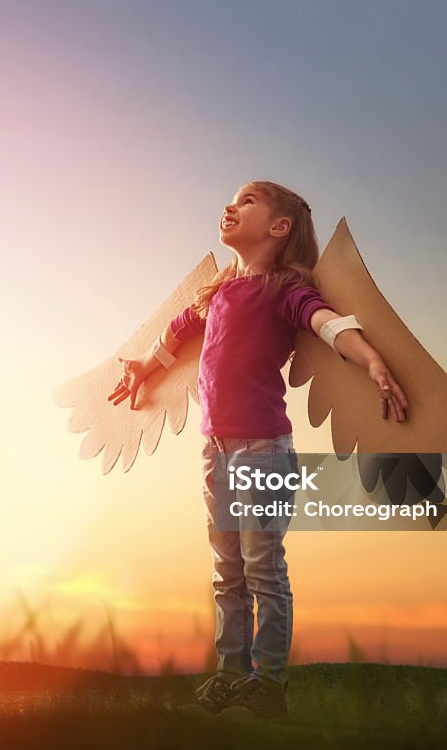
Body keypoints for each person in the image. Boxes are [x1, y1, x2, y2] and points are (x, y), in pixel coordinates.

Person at [107, 181, 409, 721]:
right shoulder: (218, 293)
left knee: (262, 568)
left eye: (247, 201)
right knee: (227, 570)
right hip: (215, 450)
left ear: (279, 227)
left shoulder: (284, 289)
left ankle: (268, 684)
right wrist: (143, 367)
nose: (230, 206)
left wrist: (371, 361)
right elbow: (176, 334)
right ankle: (230, 673)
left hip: (264, 451)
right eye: (232, 198)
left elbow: (327, 323)